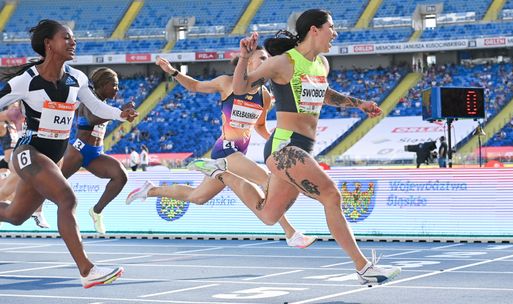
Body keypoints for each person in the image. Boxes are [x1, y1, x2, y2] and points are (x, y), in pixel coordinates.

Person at [192, 9, 401, 283]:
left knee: (268, 215)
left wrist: (358, 103)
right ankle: (364, 268)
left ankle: (221, 173)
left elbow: (324, 93)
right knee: (331, 195)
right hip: (284, 147)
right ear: (314, 29)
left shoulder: (322, 64)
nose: (335, 33)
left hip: (303, 147)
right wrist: (244, 57)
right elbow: (241, 87)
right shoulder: (283, 62)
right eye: (331, 27)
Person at [126, 53, 316, 248]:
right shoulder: (228, 83)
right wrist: (173, 71)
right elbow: (195, 86)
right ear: (249, 62)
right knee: (266, 180)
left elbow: (259, 126)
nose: (268, 61)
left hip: (239, 152)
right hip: (226, 150)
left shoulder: (264, 95)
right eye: (262, 58)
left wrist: (276, 141)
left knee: (198, 197)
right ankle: (291, 233)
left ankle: (150, 190)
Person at [0, 19, 137, 288]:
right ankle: (87, 270)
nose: (73, 42)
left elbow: (96, 105)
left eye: (73, 38)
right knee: (66, 198)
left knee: (16, 216)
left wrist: (121, 114)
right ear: (49, 44)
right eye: (67, 38)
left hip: (54, 155)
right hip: (29, 152)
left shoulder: (78, 78)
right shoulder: (25, 81)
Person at [60, 67, 129, 234]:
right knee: (52, 184)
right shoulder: (87, 100)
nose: (117, 89)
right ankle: (24, 207)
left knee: (120, 177)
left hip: (95, 154)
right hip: (78, 150)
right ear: (103, 84)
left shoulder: (104, 104)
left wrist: (121, 113)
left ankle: (96, 211)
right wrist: (119, 114)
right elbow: (92, 119)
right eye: (114, 85)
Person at [0, 103, 50, 228]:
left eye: (15, 105)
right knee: (6, 194)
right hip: (11, 162)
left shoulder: (25, 119)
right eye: (11, 106)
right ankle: (37, 212)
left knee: (7, 194)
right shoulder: (6, 122)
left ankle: (37, 212)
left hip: (23, 158)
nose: (14, 107)